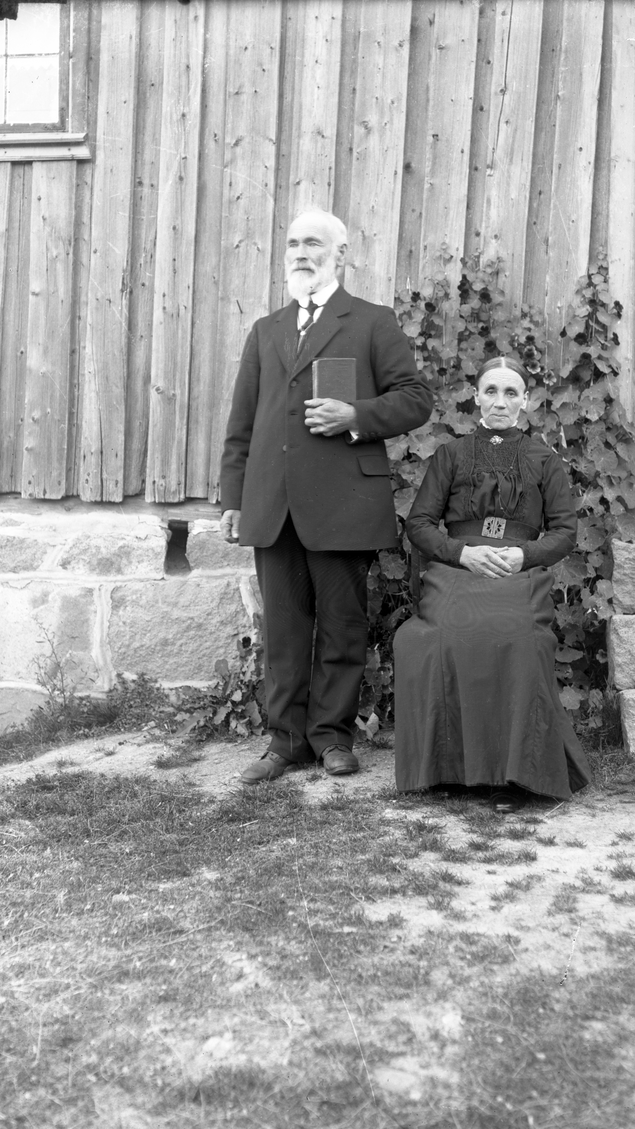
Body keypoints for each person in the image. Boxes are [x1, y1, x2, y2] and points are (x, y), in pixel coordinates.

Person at [219, 209, 433, 784]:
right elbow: (242, 424)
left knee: (342, 625)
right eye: (292, 244)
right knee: (283, 631)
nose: (300, 252)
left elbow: (415, 399)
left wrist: (356, 415)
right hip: (274, 505)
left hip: (341, 503)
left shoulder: (370, 321)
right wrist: (234, 498)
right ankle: (285, 740)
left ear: (340, 254)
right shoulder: (266, 330)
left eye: (312, 243)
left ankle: (332, 737)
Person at [393, 355, 591, 811]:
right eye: (490, 391)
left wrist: (525, 554)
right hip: (458, 570)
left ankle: (513, 777)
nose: (499, 402)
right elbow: (420, 524)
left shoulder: (544, 459)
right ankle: (448, 770)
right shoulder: (451, 455)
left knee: (516, 637)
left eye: (510, 393)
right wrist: (463, 552)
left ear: (526, 401)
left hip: (518, 572)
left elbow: (563, 532)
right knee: (444, 635)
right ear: (476, 396)